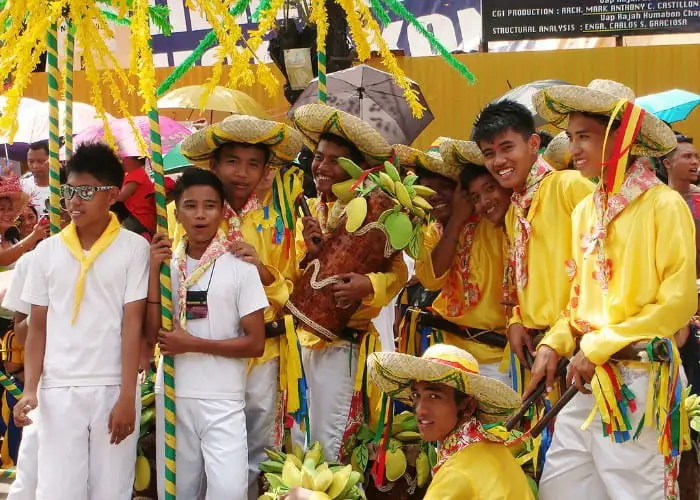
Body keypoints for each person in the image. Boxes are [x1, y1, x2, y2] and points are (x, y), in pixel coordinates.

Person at [528, 79, 695, 499]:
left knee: (635, 491)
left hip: (636, 377)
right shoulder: (585, 209)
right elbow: (578, 301)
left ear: (620, 137)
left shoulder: (663, 204)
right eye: (570, 138)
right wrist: (553, 342)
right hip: (583, 376)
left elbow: (677, 303)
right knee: (560, 488)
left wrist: (600, 345)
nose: (573, 150)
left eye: (584, 136)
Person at [177, 114, 304, 499]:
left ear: (267, 171)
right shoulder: (183, 214)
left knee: (254, 449)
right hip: (195, 356)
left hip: (261, 352)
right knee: (189, 454)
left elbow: (293, 291)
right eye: (232, 161)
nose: (242, 173)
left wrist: (264, 273)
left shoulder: (278, 221)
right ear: (213, 165)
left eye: (253, 164)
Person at [14, 142, 148, 500]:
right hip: (58, 388)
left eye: (87, 191)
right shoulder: (46, 251)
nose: (75, 200)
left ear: (113, 194)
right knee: (58, 491)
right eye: (70, 190)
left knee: (111, 490)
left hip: (111, 385)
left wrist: (127, 396)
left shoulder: (135, 249)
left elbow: (132, 325)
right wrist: (30, 389)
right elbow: (37, 327)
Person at [290, 103, 408, 462]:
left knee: (331, 445)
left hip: (343, 346)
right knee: (297, 442)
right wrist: (311, 250)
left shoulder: (378, 211)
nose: (321, 167)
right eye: (318, 157)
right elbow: (294, 279)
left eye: (334, 160)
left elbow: (399, 272)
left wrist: (367, 285)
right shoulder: (309, 208)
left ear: (357, 169)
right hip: (298, 345)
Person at [146, 168, 268, 500]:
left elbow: (256, 343)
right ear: (176, 211)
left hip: (223, 398)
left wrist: (193, 344)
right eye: (190, 205)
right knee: (177, 492)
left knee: (228, 490)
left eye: (210, 206)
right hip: (172, 392)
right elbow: (152, 331)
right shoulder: (167, 266)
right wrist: (154, 275)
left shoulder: (241, 268)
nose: (200, 214)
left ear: (223, 210)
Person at [471, 100, 594, 374]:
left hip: (583, 347)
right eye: (489, 153)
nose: (498, 161)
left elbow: (606, 267)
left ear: (533, 143)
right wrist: (516, 320)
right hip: (543, 349)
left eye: (507, 148)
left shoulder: (569, 186)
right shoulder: (515, 210)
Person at [396, 138, 512, 387]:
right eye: (427, 189)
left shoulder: (494, 222)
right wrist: (456, 221)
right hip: (448, 350)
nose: (434, 196)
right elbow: (429, 278)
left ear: (461, 191)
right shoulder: (433, 231)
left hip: (497, 357)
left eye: (443, 188)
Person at [368, 344, 533, 499]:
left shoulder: (455, 473)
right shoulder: (495, 450)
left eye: (434, 397)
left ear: (468, 406)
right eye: (416, 396)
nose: (419, 409)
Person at [0, 185, 71, 499]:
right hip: (24, 346)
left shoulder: (16, 239)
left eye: (7, 206)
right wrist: (35, 241)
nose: (4, 212)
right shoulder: (31, 253)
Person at [118, 156, 156, 240]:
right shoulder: (139, 174)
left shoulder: (137, 174)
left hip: (139, 219)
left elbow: (121, 196)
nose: (121, 161)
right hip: (142, 219)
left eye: (124, 159)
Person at [22, 142, 50, 216]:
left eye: (40, 161)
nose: (35, 166)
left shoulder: (62, 185)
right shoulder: (21, 186)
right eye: (31, 161)